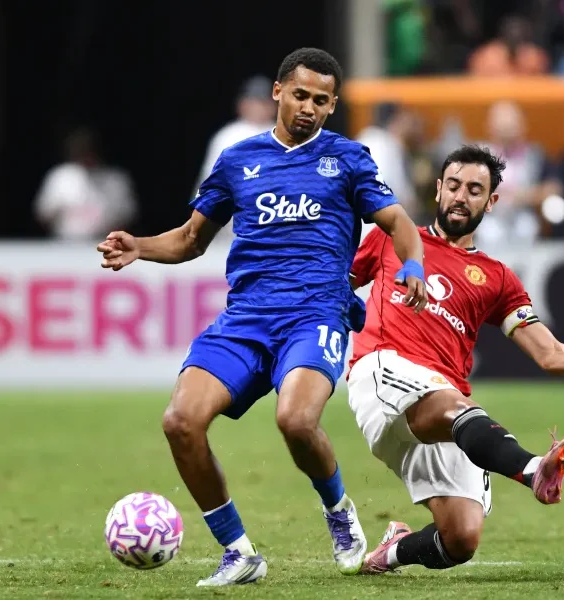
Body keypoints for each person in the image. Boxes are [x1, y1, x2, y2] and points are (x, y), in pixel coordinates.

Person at [96, 47, 429, 587]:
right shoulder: (237, 160)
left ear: (332, 106)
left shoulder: (347, 159)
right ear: (278, 92)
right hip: (247, 318)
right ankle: (238, 552)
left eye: (321, 101)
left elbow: (399, 223)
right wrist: (140, 246)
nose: (308, 108)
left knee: (296, 420)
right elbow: (190, 240)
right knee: (180, 422)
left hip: (315, 314)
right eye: (300, 95)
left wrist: (413, 264)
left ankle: (338, 510)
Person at [347, 144, 564, 574]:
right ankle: (533, 469)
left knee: (460, 538)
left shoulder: (497, 278)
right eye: (454, 185)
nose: (461, 196)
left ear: (491, 201)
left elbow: (551, 353)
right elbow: (336, 284)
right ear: (438, 189)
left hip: (442, 400)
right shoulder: (391, 238)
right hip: (383, 370)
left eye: (474, 190)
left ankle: (389, 554)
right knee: (454, 407)